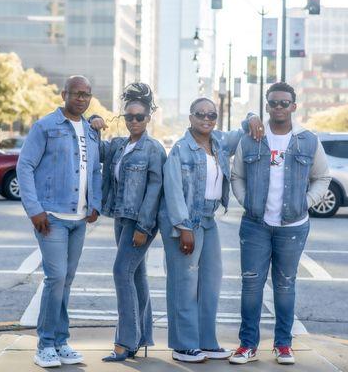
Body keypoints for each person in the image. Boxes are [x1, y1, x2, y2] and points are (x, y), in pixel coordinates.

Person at [229, 82, 331, 365]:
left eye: (284, 103)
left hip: (293, 226)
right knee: (251, 286)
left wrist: (306, 202)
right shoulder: (252, 138)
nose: (278, 107)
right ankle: (247, 345)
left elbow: (323, 177)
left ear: (294, 106)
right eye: (273, 102)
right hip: (255, 224)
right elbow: (236, 175)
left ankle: (283, 345)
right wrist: (246, 200)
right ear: (267, 105)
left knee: (285, 286)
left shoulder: (308, 140)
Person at [160, 98, 263, 363]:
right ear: (190, 117)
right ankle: (183, 345)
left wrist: (251, 116)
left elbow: (242, 131)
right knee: (185, 284)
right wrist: (183, 227)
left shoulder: (218, 142)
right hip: (187, 222)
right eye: (200, 114)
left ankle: (206, 341)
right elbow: (172, 192)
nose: (206, 118)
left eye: (212, 114)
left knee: (210, 282)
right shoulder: (181, 150)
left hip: (209, 220)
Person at [17, 75, 102, 368]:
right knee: (55, 279)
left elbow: (95, 170)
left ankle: (61, 341)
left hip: (79, 219)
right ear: (64, 94)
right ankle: (45, 345)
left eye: (87, 94)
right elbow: (24, 166)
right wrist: (34, 210)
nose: (82, 98)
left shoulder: (91, 131)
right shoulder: (46, 127)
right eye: (77, 93)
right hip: (51, 217)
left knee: (65, 282)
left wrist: (96, 203)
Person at [89, 83, 166, 362]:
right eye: (129, 117)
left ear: (148, 118)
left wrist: (144, 228)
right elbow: (95, 150)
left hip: (140, 222)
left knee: (121, 272)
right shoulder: (119, 146)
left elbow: (155, 191)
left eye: (139, 117)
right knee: (136, 275)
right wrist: (92, 122)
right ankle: (143, 337)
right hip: (121, 216)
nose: (134, 121)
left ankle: (125, 342)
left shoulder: (153, 149)